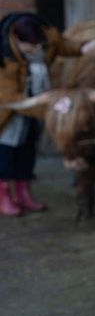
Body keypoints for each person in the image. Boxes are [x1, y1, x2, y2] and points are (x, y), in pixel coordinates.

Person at [0, 13, 59, 216]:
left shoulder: (36, 51)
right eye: (31, 46)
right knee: (6, 158)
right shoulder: (3, 58)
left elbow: (60, 44)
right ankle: (4, 196)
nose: (37, 50)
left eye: (38, 45)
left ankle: (23, 194)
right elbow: (9, 99)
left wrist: (83, 47)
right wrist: (44, 104)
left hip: (31, 116)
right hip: (7, 117)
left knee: (27, 153)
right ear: (16, 39)